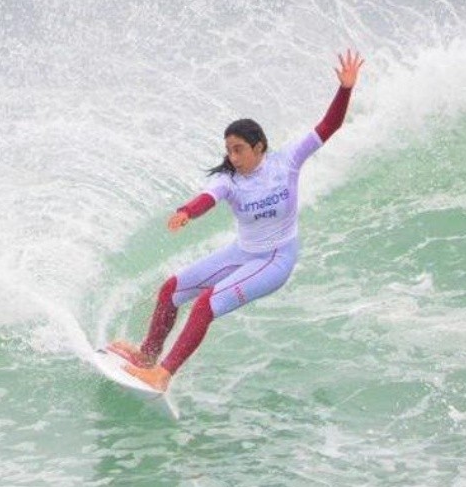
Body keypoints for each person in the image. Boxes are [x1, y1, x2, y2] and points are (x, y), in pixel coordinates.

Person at [109, 49, 364, 391]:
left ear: (259, 147)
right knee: (171, 290)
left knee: (206, 303)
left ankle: (162, 375)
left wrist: (345, 88)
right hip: (243, 252)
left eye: (239, 148)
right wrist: (187, 211)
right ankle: (147, 357)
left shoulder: (287, 160)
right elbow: (208, 198)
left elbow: (329, 126)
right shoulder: (229, 179)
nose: (233, 156)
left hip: (276, 258)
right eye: (229, 149)